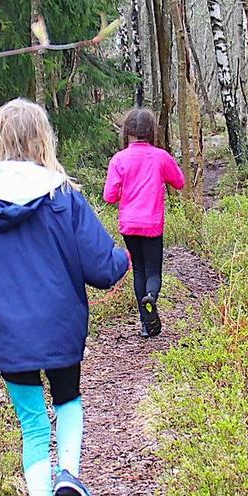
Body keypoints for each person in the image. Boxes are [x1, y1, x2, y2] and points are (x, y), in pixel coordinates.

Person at [0, 98, 129, 496]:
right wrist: (124, 257)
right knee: (68, 398)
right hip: (60, 325)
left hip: (9, 335)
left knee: (33, 427)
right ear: (42, 140)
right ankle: (69, 473)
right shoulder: (62, 196)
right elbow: (101, 266)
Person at [102, 107, 186, 338]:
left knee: (138, 269)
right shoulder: (161, 157)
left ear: (127, 131)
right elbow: (179, 182)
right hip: (152, 225)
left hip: (129, 225)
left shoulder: (119, 159)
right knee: (153, 271)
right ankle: (152, 297)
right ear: (151, 131)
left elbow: (109, 196)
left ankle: (145, 324)